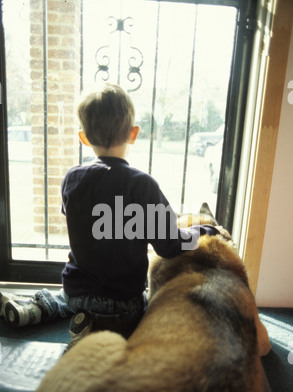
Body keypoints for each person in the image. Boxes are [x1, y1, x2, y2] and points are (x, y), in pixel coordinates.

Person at [0, 83, 202, 348]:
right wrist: (198, 234)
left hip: (77, 292)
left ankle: (36, 311)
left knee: (64, 299)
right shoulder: (144, 186)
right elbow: (169, 245)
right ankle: (95, 332)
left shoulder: (72, 178)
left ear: (83, 138)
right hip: (122, 303)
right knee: (147, 308)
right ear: (134, 133)